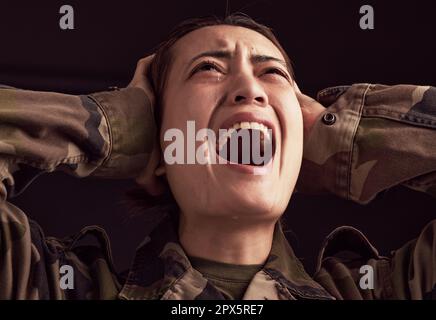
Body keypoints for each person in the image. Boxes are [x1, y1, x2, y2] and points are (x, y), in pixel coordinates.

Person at [0, 14, 435, 300]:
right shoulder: (47, 284)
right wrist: (111, 126)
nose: (250, 88)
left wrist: (344, 144)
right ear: (157, 142)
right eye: (208, 67)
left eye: (273, 73)